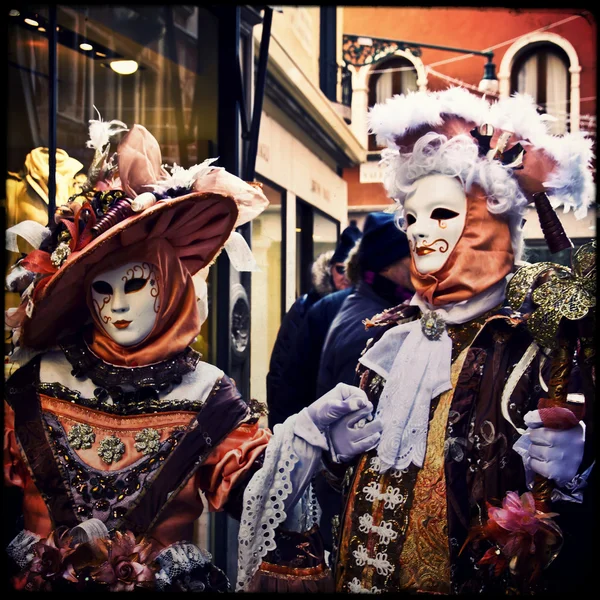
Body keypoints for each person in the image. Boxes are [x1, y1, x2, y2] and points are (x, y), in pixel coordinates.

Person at [3, 118, 379, 592]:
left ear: (171, 286)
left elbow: (252, 490)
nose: (117, 305)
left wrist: (305, 450)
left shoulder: (205, 393)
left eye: (136, 283)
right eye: (102, 288)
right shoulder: (34, 383)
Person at [319, 88, 595, 594]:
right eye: (412, 217)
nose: (421, 232)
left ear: (488, 223)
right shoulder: (391, 336)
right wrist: (336, 455)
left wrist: (583, 470)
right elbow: (362, 486)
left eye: (442, 214)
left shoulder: (540, 341)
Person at [266, 222, 361, 428]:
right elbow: (281, 367)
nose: (344, 276)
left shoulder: (363, 310)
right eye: (339, 269)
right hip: (305, 408)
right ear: (330, 269)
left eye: (350, 269)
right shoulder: (305, 306)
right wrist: (279, 426)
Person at [317, 211, 414, 399]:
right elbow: (359, 412)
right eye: (411, 255)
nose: (421, 264)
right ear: (385, 265)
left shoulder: (374, 304)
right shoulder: (372, 325)